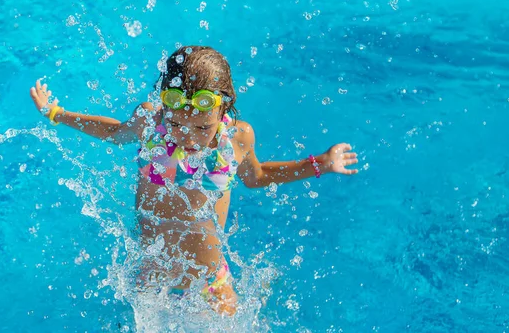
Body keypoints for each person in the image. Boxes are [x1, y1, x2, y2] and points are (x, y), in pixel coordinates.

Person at [29, 45, 359, 316]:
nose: (188, 138)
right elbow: (114, 131)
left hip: (209, 280)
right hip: (151, 275)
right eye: (176, 124)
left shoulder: (237, 138)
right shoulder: (150, 122)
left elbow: (257, 176)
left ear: (223, 107)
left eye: (202, 128)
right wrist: (56, 113)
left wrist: (319, 163)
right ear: (165, 107)